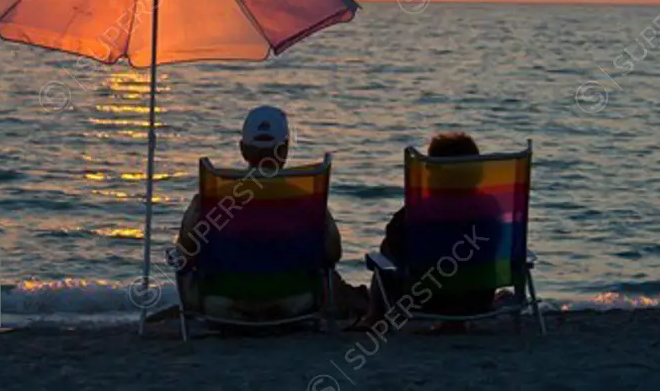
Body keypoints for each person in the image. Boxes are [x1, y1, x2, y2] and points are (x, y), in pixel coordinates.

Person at [175, 106, 367, 322]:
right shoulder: (307, 200)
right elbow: (333, 252)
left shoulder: (210, 201)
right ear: (284, 150)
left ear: (242, 149)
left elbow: (185, 251)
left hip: (221, 303)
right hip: (296, 301)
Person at [362, 131, 499, 329]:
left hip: (425, 300)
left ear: (436, 172)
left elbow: (393, 240)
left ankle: (374, 316)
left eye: (429, 166)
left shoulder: (419, 210)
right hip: (478, 300)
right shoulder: (491, 207)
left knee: (386, 253)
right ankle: (455, 324)